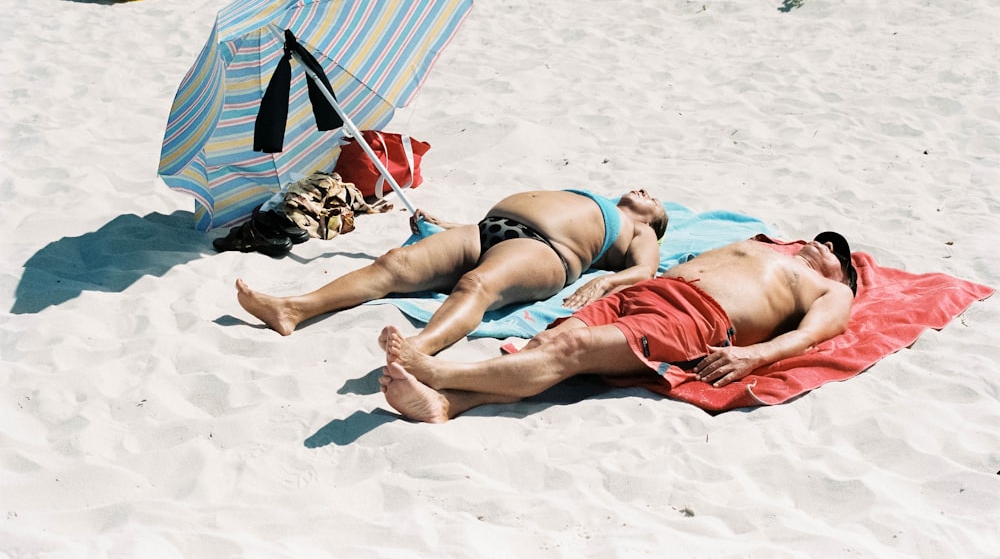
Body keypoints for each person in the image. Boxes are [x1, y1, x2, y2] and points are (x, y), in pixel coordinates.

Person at [378, 232, 859, 423]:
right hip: (646, 294)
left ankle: (439, 373)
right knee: (549, 342)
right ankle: (447, 404)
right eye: (823, 240)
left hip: (697, 317)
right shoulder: (767, 247)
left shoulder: (832, 290)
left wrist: (753, 356)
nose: (826, 248)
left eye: (839, 255)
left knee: (576, 349)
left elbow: (809, 336)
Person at [236, 188, 668, 355]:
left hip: (542, 250)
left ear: (655, 221)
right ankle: (294, 308)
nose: (646, 191)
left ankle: (419, 348)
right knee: (394, 263)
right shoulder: (600, 199)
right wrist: (445, 224)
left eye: (656, 201)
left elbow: (645, 270)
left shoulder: (640, 230)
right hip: (484, 229)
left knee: (476, 285)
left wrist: (607, 280)